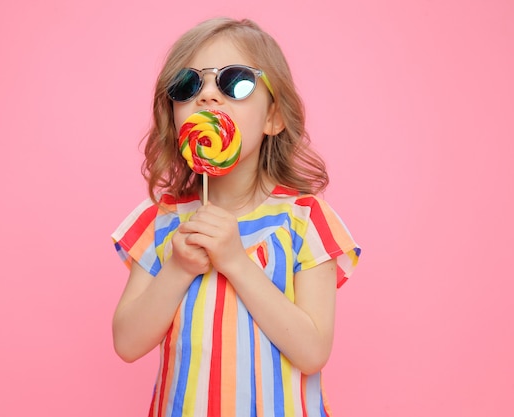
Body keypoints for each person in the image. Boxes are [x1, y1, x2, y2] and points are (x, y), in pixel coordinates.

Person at [111, 17, 361, 417]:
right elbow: (126, 342)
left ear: (273, 118)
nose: (207, 96)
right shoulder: (163, 220)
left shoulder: (304, 221)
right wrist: (177, 268)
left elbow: (312, 351)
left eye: (236, 82)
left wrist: (235, 262)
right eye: (187, 85)